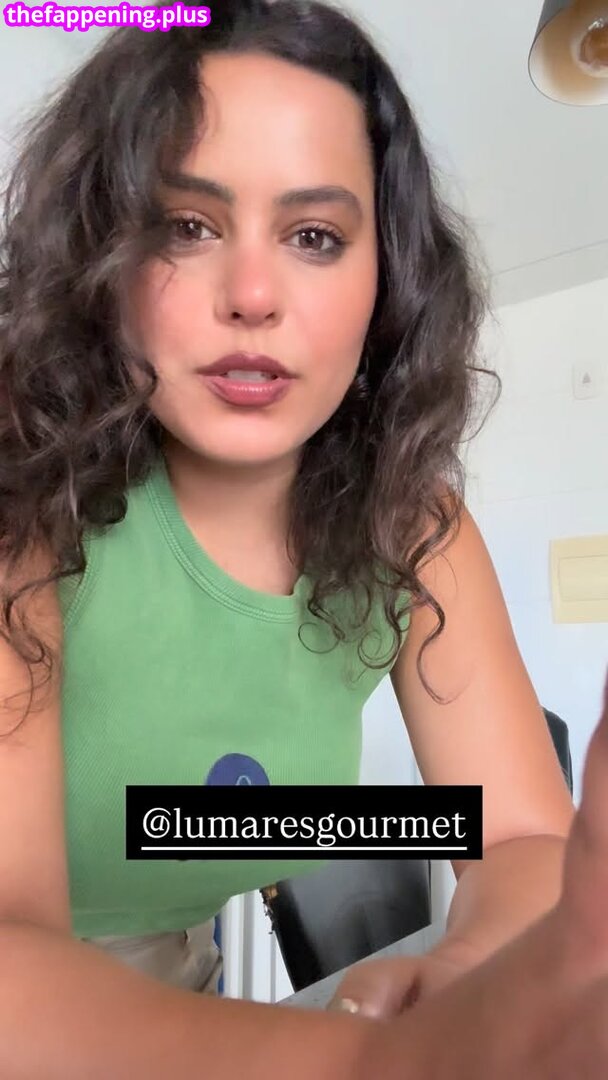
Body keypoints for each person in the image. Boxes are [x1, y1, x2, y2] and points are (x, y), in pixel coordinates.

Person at [0, 0, 602, 1075]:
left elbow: (520, 838)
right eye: (187, 226)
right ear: (101, 257)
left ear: (387, 277)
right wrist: (383, 1065)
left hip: (180, 986)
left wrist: (473, 974)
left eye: (314, 236)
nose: (253, 296)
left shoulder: (411, 524)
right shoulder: (23, 493)